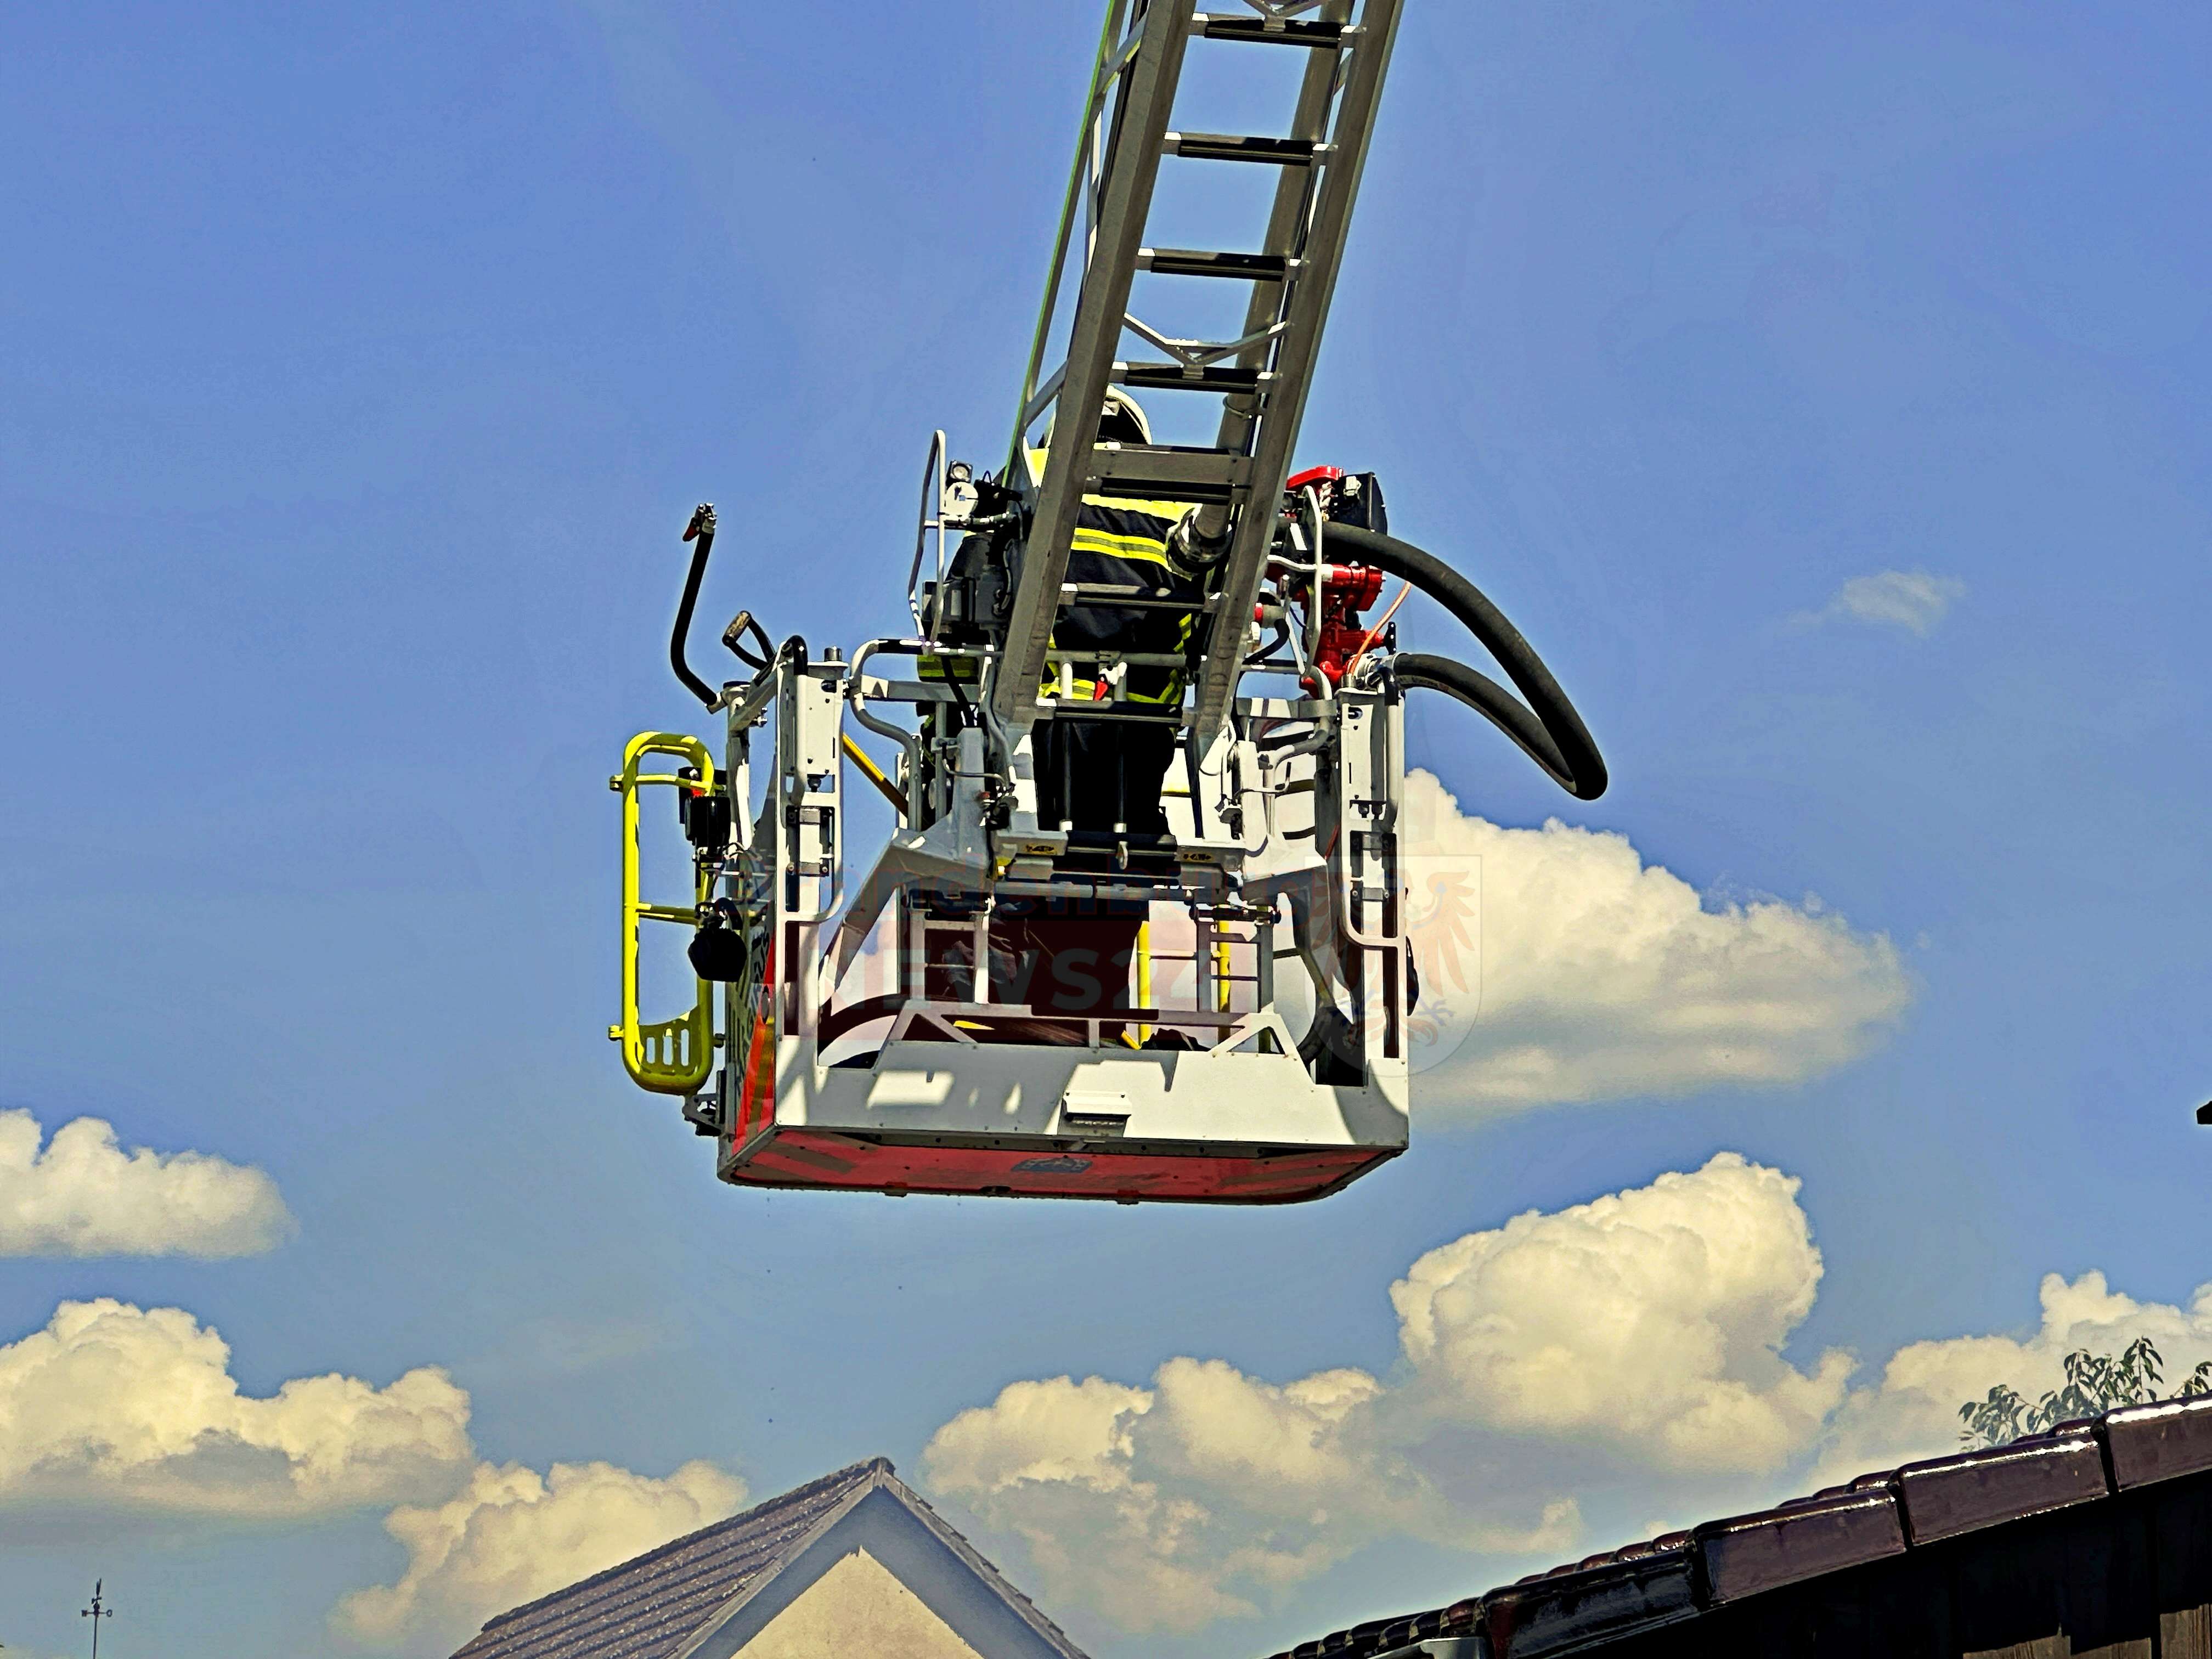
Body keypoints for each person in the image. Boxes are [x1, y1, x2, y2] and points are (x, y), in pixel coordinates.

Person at [993, 389, 1217, 1025]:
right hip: (1145, 734)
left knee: (1042, 864)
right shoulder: (1186, 508)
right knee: (1118, 872)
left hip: (1053, 723)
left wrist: (948, 741)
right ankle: (1091, 1012)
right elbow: (1212, 628)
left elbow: (970, 617)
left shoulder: (1033, 483)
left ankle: (1032, 1009)